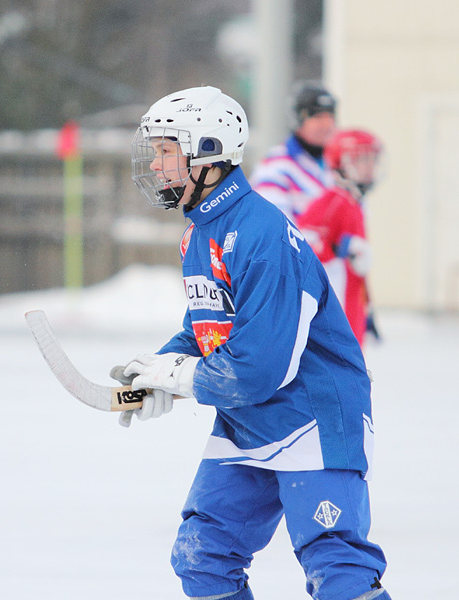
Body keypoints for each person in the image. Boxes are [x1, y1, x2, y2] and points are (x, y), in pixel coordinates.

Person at [122, 86, 390, 600]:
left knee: (338, 571)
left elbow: (257, 369)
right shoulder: (200, 232)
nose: (156, 166)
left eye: (165, 150)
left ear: (206, 151)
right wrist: (159, 369)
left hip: (315, 418)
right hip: (251, 422)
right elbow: (208, 326)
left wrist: (181, 379)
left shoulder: (262, 232)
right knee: (203, 559)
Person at [297, 129, 384, 350]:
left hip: (351, 314)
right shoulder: (333, 201)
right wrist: (337, 248)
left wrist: (367, 309)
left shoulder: (354, 203)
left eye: (372, 159)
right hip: (333, 319)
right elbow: (302, 243)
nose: (370, 166)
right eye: (362, 159)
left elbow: (357, 270)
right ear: (341, 162)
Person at [250, 81, 338, 221]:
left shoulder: (337, 164)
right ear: (298, 119)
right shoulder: (276, 166)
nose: (327, 125)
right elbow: (276, 228)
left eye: (330, 117)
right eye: (318, 117)